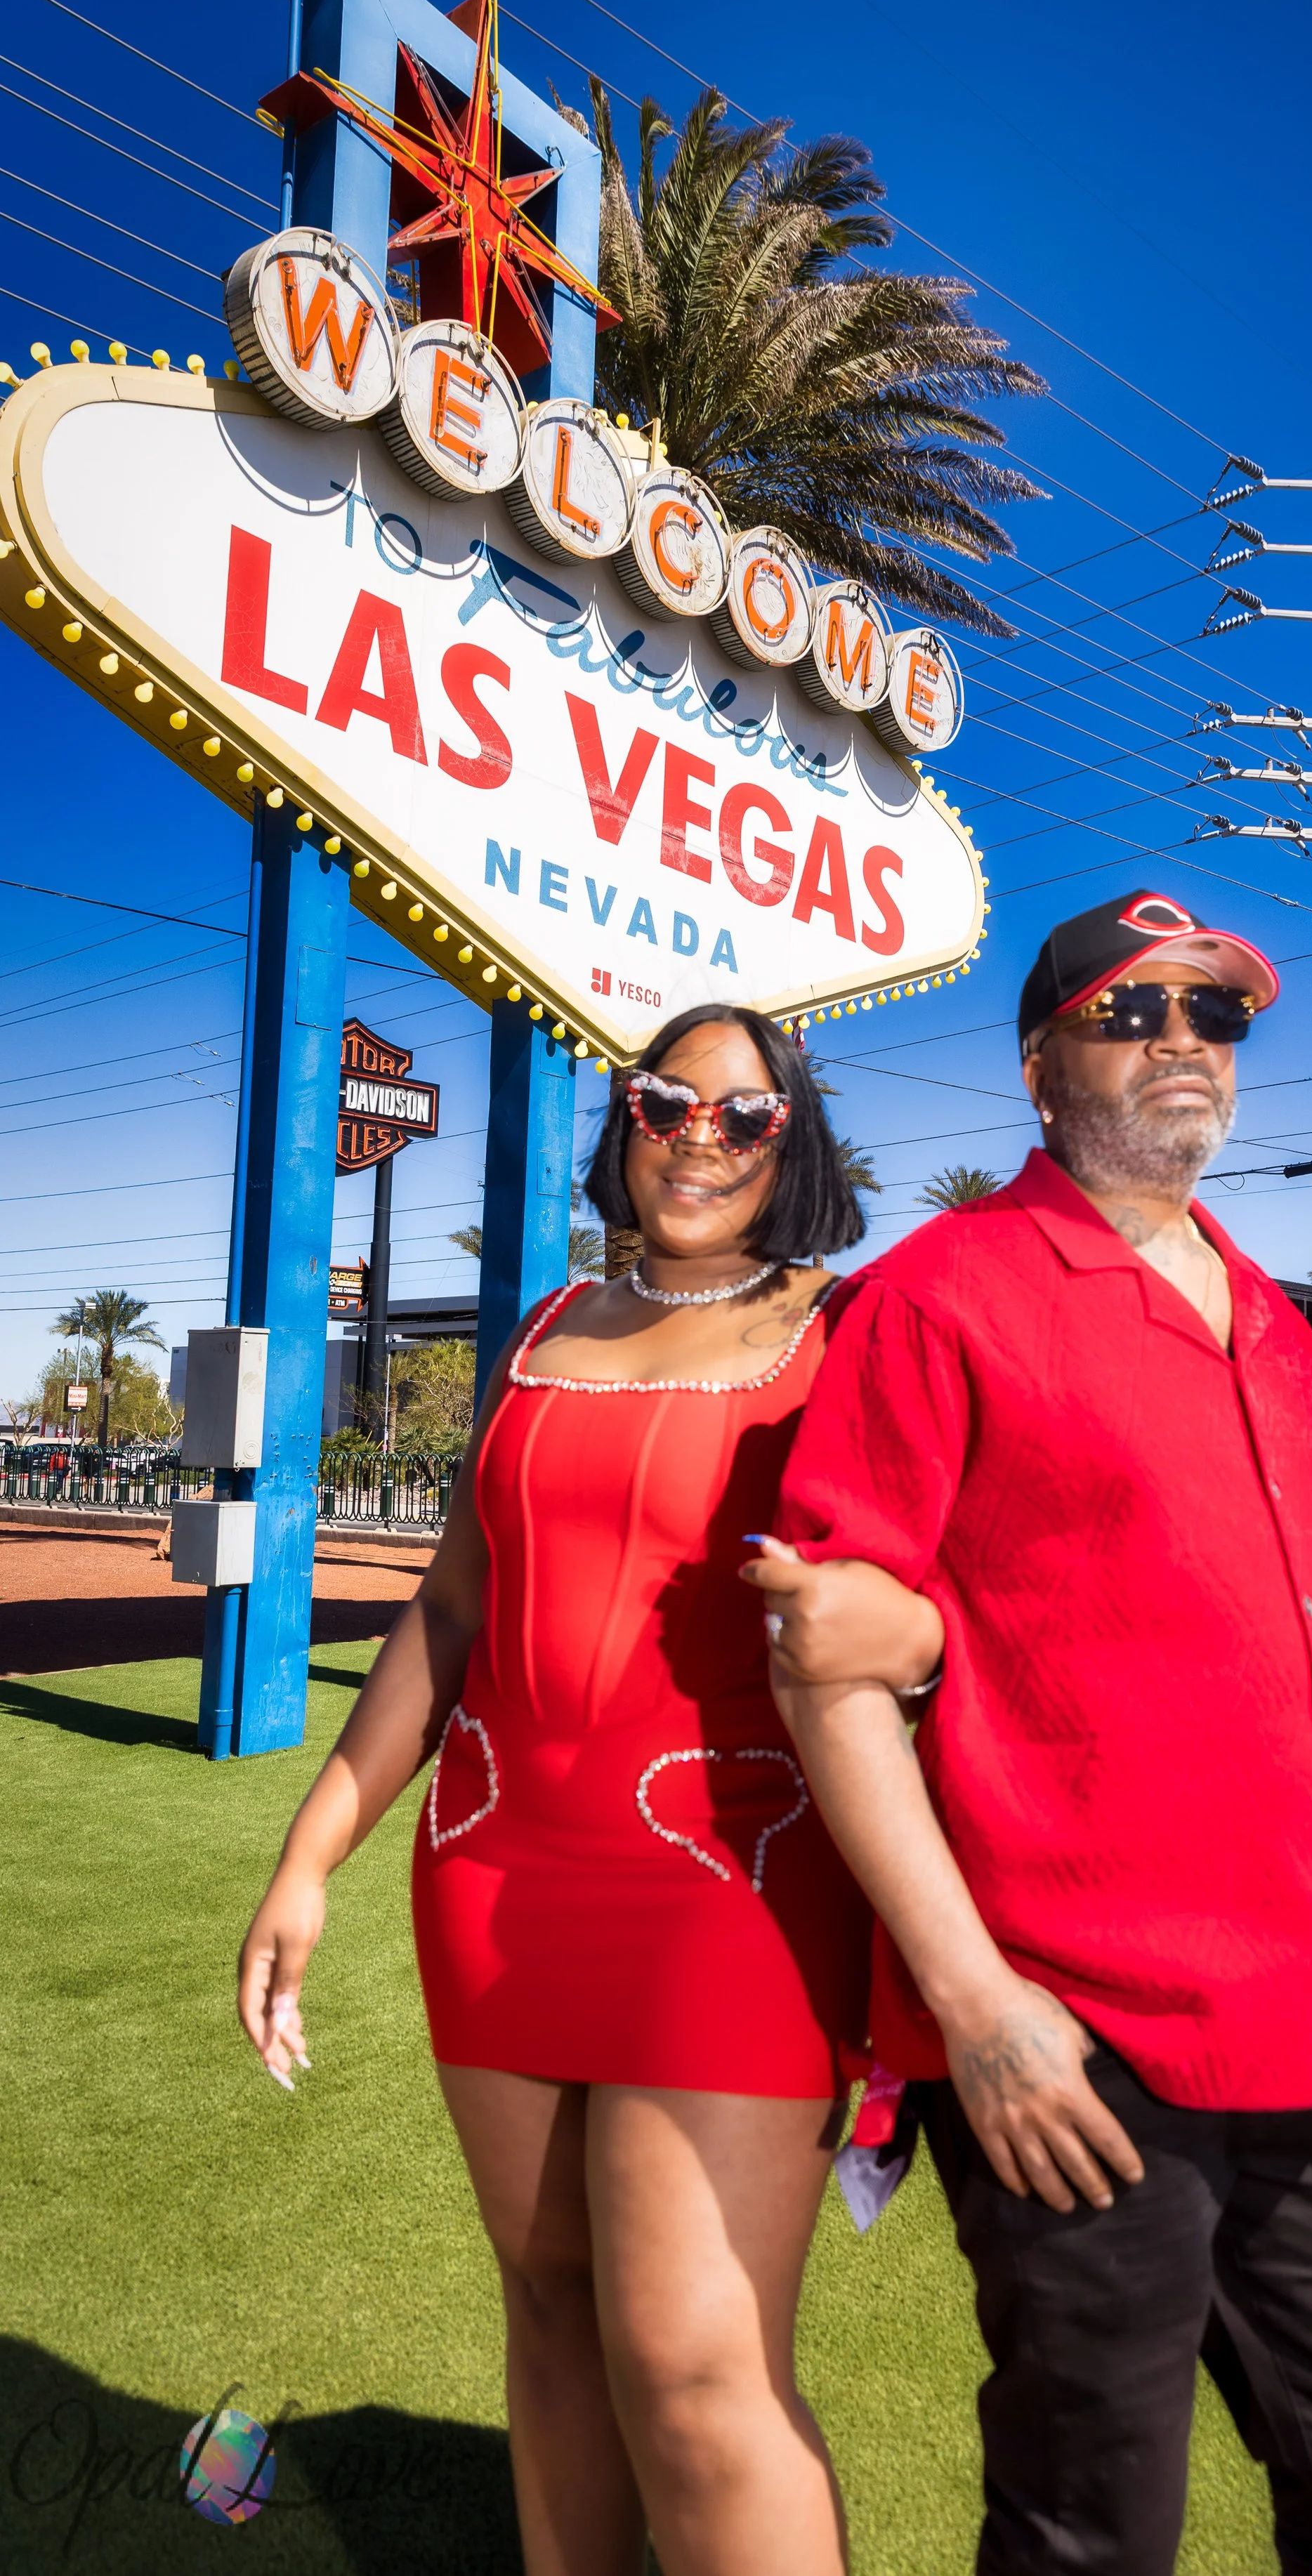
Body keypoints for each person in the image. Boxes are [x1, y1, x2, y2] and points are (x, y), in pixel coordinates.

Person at [748, 891, 1312, 2574]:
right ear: (1038, 1062)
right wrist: (974, 2005)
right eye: (1133, 1012)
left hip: (1310, 2032)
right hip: (1072, 2051)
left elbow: (1284, 1666)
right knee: (1089, 2530)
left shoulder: (1278, 1326)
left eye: (1215, 1015)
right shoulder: (937, 1296)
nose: (1185, 1042)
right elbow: (825, 1666)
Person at [237, 1005, 941, 2576]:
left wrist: (923, 1629)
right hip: (490, 1866)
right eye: (664, 1100)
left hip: (735, 1888)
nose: (699, 1133)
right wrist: (311, 1855)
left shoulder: (850, 1328)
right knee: (552, 2313)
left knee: (697, 2369)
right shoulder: (545, 1324)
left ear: (790, 1144)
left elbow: (951, 1578)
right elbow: (447, 1614)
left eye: (743, 1116)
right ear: (624, 1122)